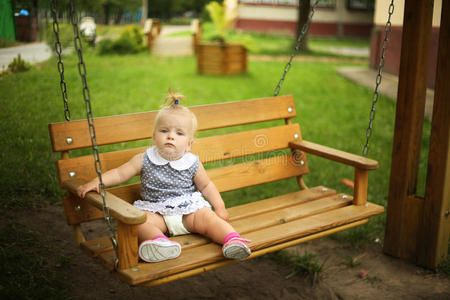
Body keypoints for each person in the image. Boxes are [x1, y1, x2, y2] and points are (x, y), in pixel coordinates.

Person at [77, 91, 251, 263]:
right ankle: (160, 243)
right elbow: (119, 173)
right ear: (154, 137)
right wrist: (97, 182)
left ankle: (232, 240)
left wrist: (219, 207)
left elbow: (206, 186)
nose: (170, 136)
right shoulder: (144, 159)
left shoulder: (192, 163)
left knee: (209, 219)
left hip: (189, 212)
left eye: (179, 133)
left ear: (189, 144)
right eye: (164, 130)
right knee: (139, 222)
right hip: (156, 212)